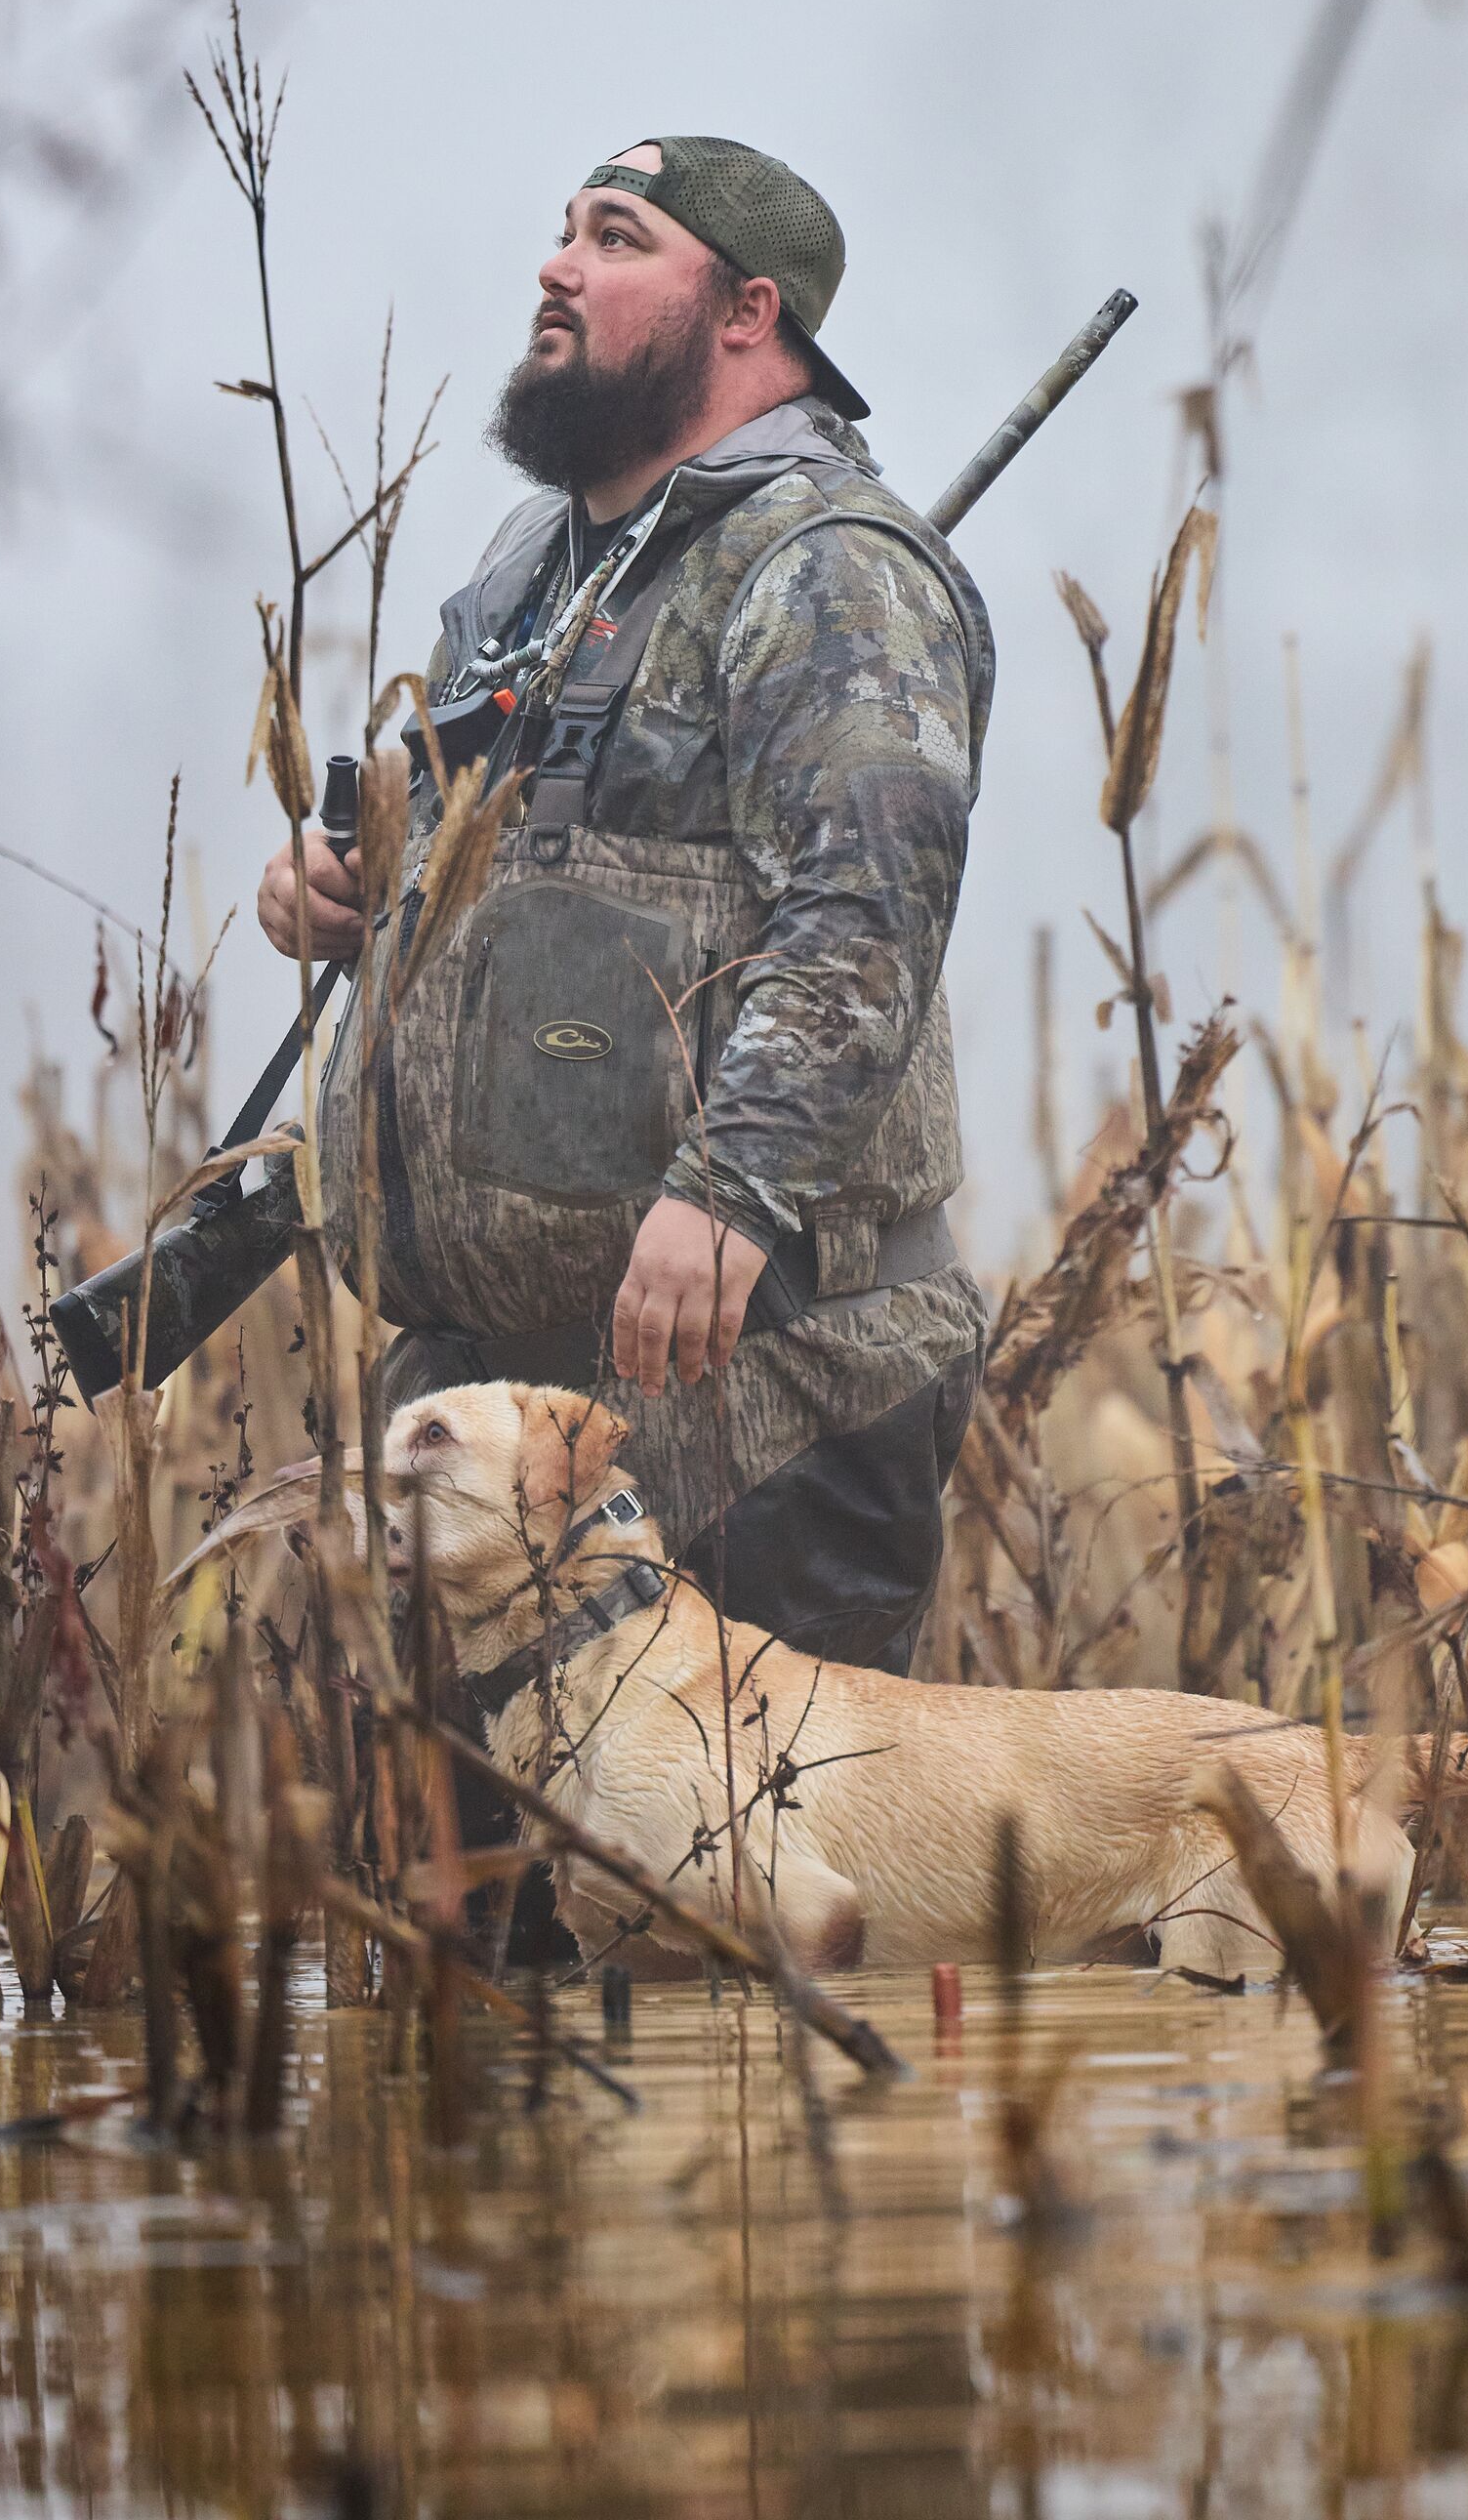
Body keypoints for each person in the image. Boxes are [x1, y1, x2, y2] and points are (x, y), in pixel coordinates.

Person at [258, 136, 993, 1673]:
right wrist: (350, 874)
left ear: (747, 310)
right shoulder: (538, 561)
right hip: (489, 1405)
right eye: (562, 231)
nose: (556, 265)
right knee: (469, 1902)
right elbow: (463, 807)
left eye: (613, 236)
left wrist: (729, 1191)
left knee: (742, 1892)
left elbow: (861, 926)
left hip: (757, 1395)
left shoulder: (831, 564)